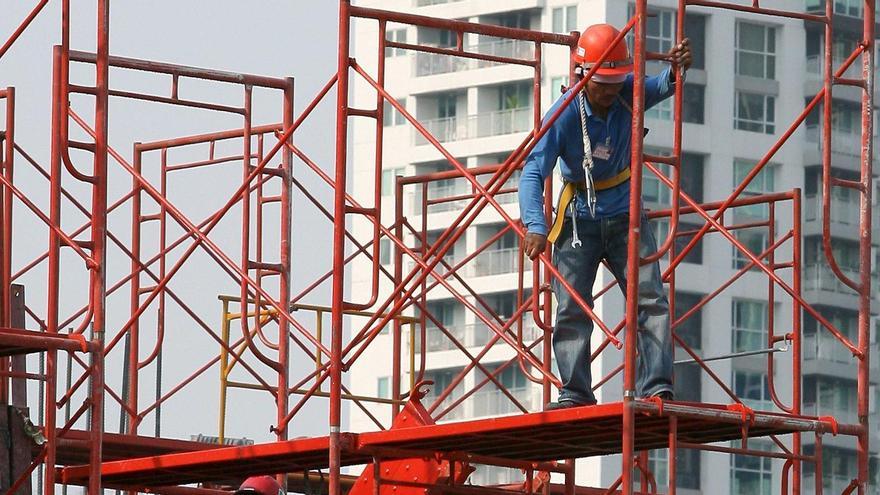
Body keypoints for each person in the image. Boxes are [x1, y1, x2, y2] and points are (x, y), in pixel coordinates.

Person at [518, 24, 692, 409]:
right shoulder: (564, 114)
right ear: (584, 76)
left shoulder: (627, 91)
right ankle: (576, 391)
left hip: (625, 215)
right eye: (604, 84)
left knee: (650, 300)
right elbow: (533, 170)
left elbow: (664, 84)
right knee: (570, 306)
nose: (612, 92)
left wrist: (678, 69)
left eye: (617, 82)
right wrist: (535, 224)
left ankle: (657, 385)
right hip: (579, 218)